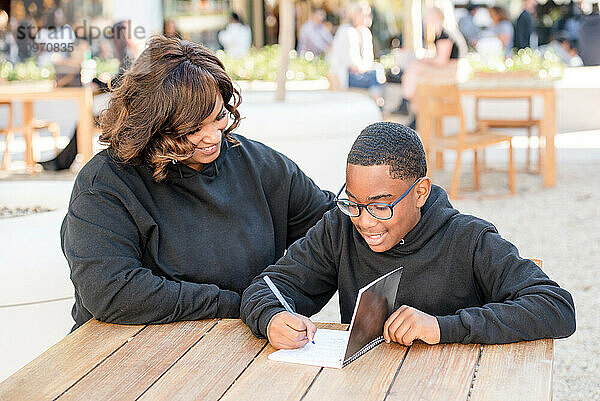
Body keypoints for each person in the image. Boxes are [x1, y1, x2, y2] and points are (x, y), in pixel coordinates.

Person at [61, 35, 335, 331]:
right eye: (193, 128)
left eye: (219, 118)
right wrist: (237, 304)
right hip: (122, 353)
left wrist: (273, 301)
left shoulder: (259, 165)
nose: (213, 136)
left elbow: (332, 229)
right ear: (152, 125)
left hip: (235, 347)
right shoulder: (105, 185)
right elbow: (113, 292)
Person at [241, 122, 576, 349]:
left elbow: (556, 308)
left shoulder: (469, 239)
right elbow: (266, 287)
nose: (365, 221)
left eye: (380, 206)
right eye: (353, 203)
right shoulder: (339, 229)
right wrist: (272, 318)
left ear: (420, 193)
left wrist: (443, 328)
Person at [394, 7, 462, 127]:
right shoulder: (440, 33)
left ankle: (406, 102)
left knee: (414, 68)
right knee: (416, 80)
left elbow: (441, 60)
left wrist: (425, 60)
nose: (425, 18)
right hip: (448, 70)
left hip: (449, 73)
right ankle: (415, 114)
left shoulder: (444, 34)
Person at [327, 1, 385, 106]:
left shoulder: (366, 33)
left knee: (377, 71)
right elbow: (353, 65)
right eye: (365, 13)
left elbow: (369, 60)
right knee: (374, 75)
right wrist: (365, 67)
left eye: (369, 13)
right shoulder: (347, 31)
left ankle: (378, 103)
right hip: (346, 76)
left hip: (361, 73)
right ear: (355, 14)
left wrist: (365, 67)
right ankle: (378, 104)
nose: (368, 16)